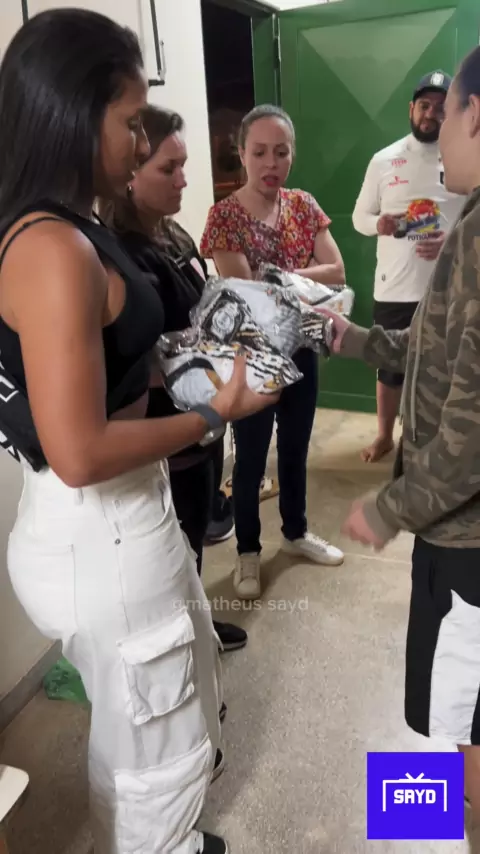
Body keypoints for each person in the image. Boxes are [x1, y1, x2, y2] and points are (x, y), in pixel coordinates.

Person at [0, 11, 278, 854]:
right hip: (102, 533)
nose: (142, 142)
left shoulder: (71, 224)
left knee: (176, 699)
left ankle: (171, 840)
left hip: (126, 521)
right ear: (75, 114)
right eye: (131, 122)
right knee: (154, 748)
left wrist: (185, 363)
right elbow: (79, 451)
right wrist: (212, 413)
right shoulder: (52, 249)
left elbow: (109, 358)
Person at [323, 45, 480, 851]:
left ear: (474, 116)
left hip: (467, 541)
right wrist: (354, 339)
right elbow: (432, 350)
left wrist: (392, 507)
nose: (437, 130)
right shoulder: (470, 221)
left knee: (465, 718)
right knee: (452, 713)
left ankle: (449, 826)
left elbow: (470, 432)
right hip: (451, 531)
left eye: (447, 114)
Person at [101, 104, 247, 653]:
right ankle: (184, 643)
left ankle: (198, 624)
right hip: (166, 433)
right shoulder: (120, 258)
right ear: (131, 170)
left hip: (202, 419)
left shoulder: (172, 234)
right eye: (169, 168)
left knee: (195, 539)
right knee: (175, 547)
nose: (184, 179)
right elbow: (134, 362)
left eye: (184, 165)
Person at [200, 104, 346, 601]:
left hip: (302, 349)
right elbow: (248, 295)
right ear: (241, 153)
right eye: (259, 152)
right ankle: (247, 550)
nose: (271, 163)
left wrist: (282, 276)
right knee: (250, 459)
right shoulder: (224, 217)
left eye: (280, 152)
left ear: (292, 155)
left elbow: (338, 270)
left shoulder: (303, 205)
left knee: (297, 448)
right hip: (252, 359)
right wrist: (300, 278)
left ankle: (296, 531)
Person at [352, 70, 465, 463]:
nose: (431, 114)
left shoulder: (465, 156)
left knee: (445, 369)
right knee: (389, 367)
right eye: (424, 105)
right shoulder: (383, 160)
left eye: (440, 107)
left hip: (448, 286)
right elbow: (359, 217)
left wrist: (450, 238)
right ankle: (385, 435)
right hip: (394, 286)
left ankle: (438, 442)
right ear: (411, 109)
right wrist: (378, 224)